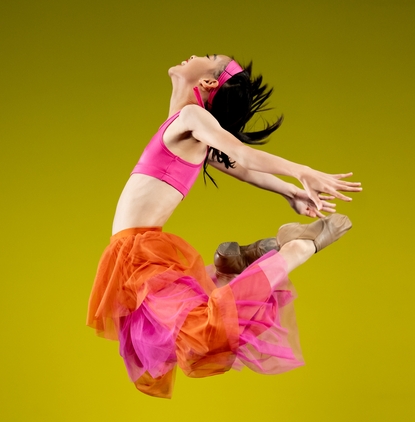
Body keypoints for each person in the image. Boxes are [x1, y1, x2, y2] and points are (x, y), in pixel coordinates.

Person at [87, 54, 362, 399]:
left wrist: (300, 172)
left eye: (208, 58)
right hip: (136, 251)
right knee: (174, 334)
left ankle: (295, 250)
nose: (195, 55)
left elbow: (240, 154)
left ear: (208, 83)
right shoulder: (186, 127)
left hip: (139, 252)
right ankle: (232, 268)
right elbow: (237, 166)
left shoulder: (192, 117)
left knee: (201, 334)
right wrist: (289, 191)